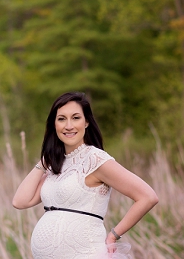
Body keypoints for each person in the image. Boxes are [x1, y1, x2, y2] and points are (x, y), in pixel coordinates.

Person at [12, 92, 158, 258]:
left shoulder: (96, 159)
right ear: (54, 124)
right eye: (61, 119)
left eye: (75, 118)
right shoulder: (56, 165)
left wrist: (113, 235)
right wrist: (44, 162)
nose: (68, 125)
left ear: (86, 121)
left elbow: (148, 196)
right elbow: (20, 201)